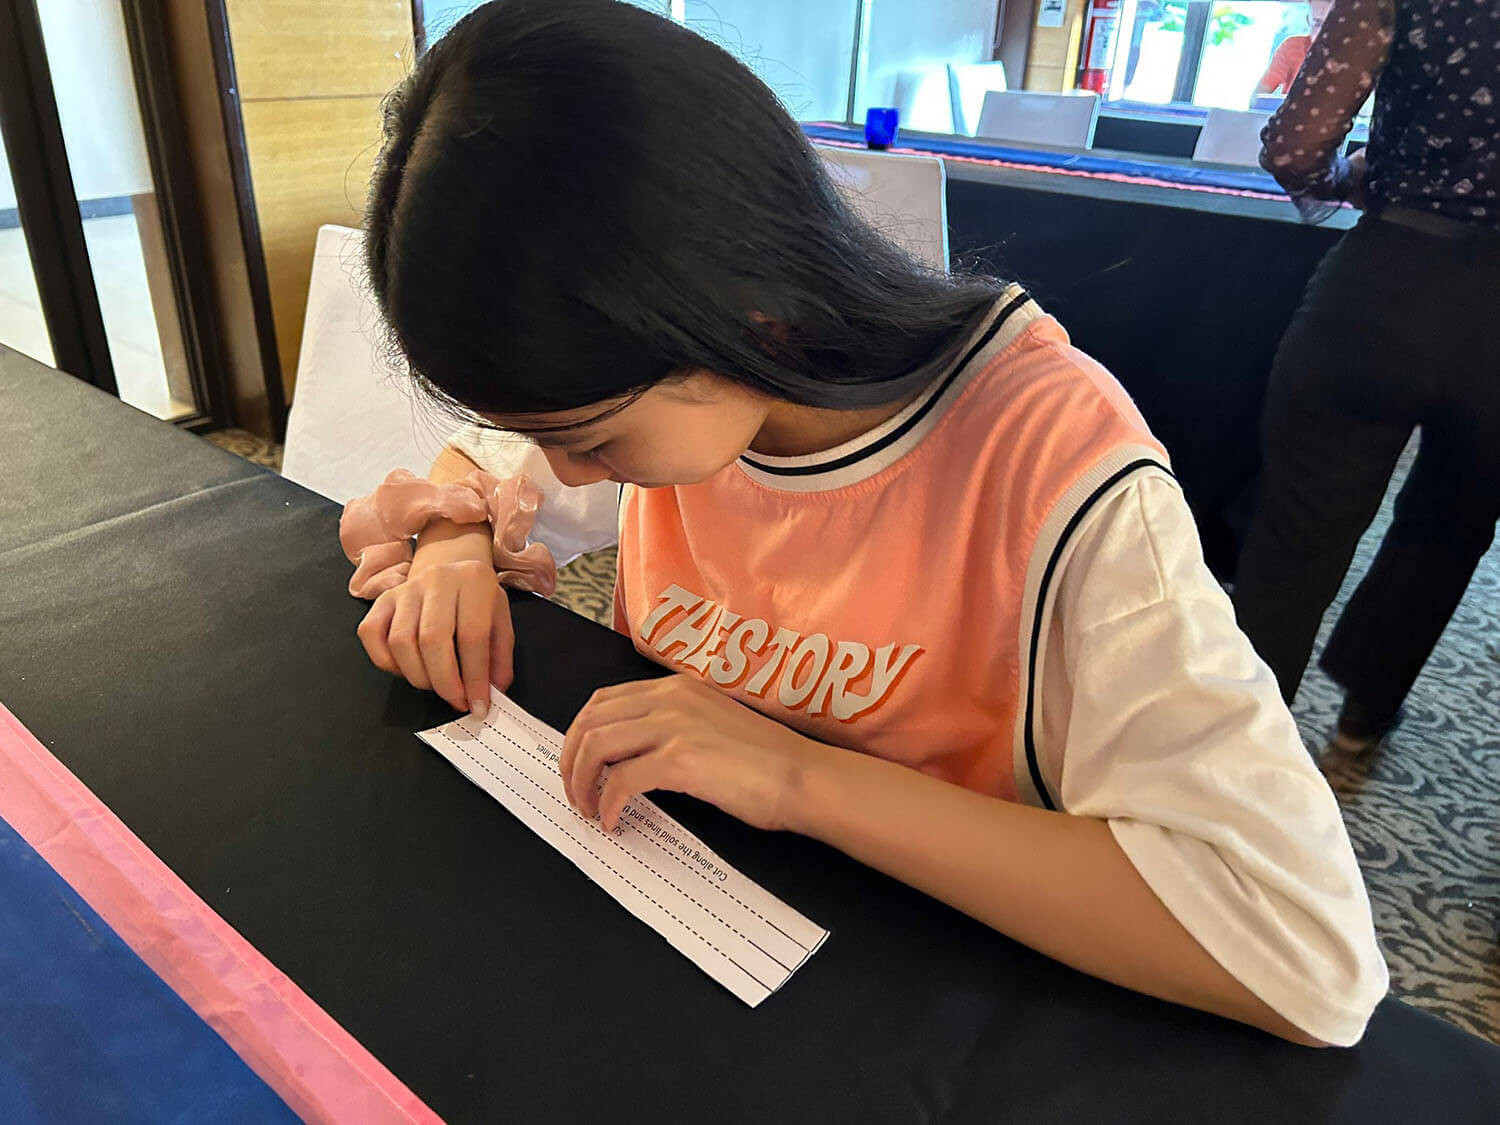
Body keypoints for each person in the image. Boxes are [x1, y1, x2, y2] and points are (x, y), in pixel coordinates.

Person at [352, 0, 1385, 1046]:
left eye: (594, 439)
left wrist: (796, 775)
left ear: (748, 317)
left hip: (933, 1010)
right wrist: (454, 544)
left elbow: (1307, 958)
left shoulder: (1051, 465)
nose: (568, 469)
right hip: (697, 948)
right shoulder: (700, 384)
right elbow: (490, 464)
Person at [1234, 0, 1500, 752]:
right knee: (1452, 525)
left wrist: (1351, 176)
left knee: (1295, 539)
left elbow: (1295, 148)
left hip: (1384, 282)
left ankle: (1235, 751)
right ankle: (1365, 712)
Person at [1253, 0, 1333, 98]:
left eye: (1332, 25)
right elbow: (1259, 95)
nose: (1324, 33)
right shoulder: (1292, 47)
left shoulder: (1349, 53)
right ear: (1308, 22)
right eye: (1317, 24)